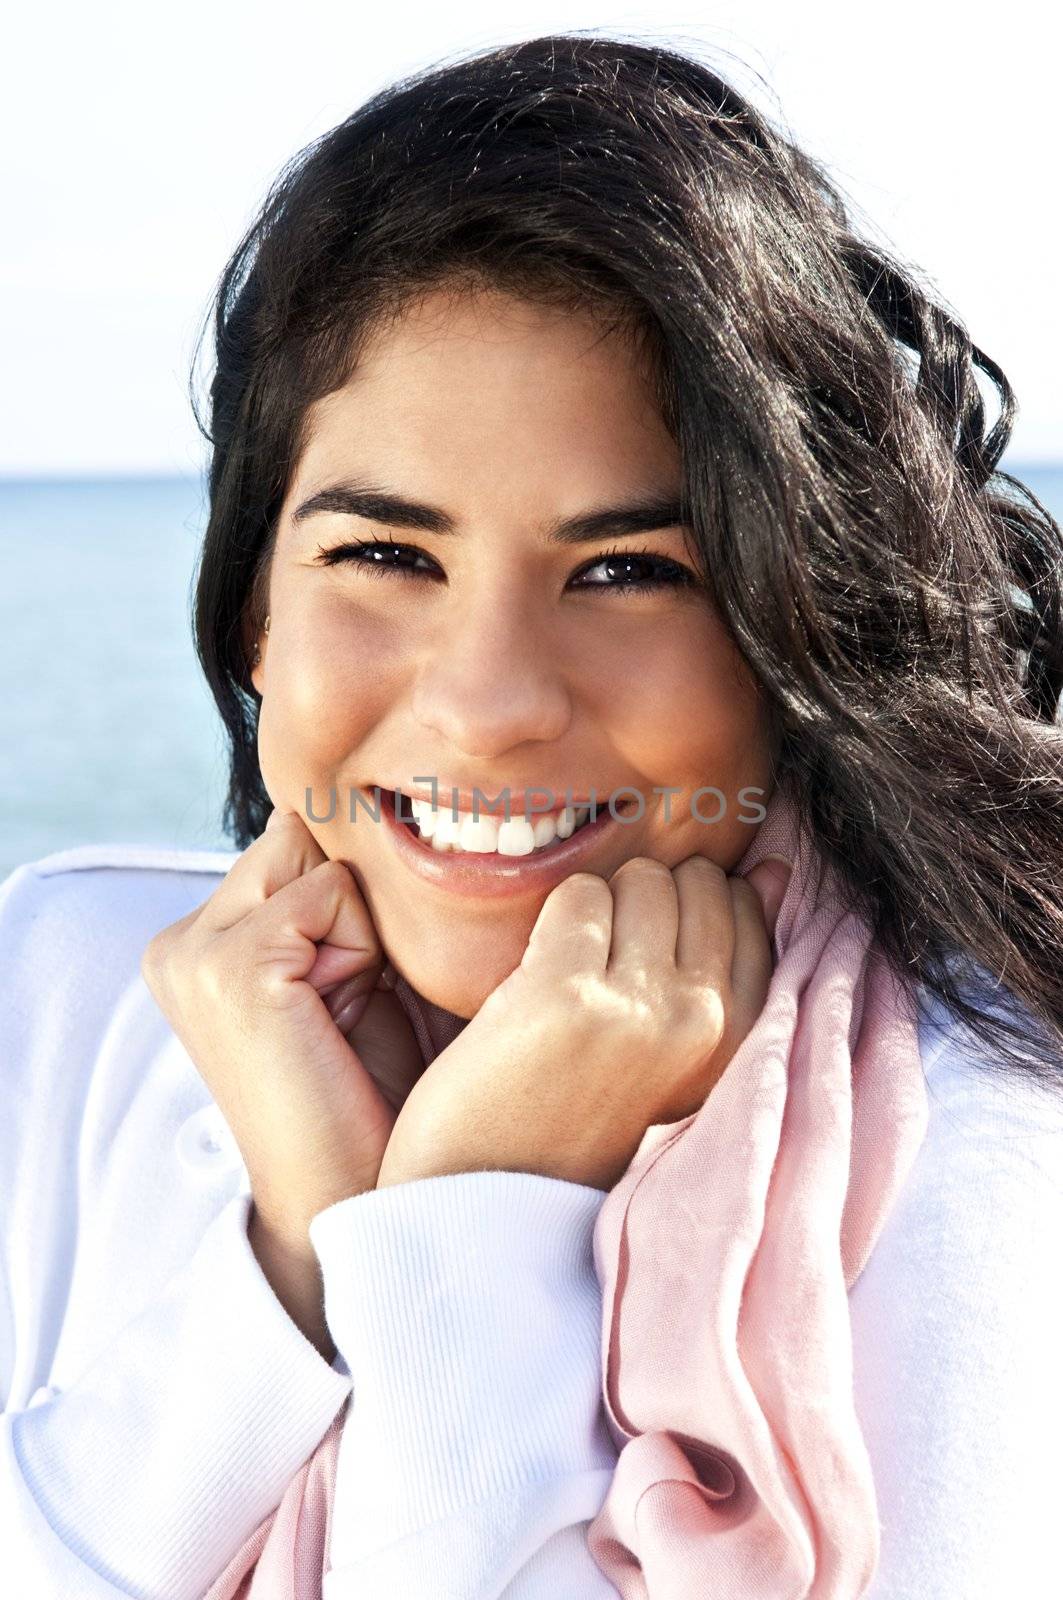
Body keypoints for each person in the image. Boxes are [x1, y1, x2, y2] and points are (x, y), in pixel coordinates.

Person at [3, 31, 1062, 1600]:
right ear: (252, 620)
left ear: (792, 636)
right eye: (384, 556)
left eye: (631, 572)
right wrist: (296, 1256)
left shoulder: (984, 1156)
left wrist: (469, 1222)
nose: (491, 700)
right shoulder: (61, 994)